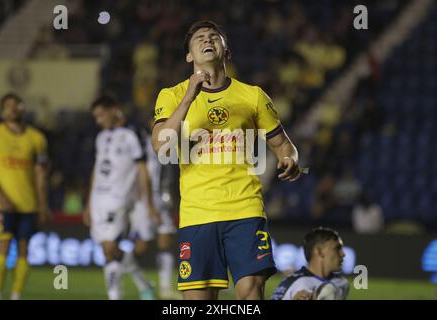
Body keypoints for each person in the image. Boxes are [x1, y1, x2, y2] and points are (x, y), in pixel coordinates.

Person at [151, 21, 302, 300]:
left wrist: (289, 160)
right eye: (199, 38)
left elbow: (283, 145)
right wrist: (188, 100)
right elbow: (160, 146)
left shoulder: (253, 96)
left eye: (213, 37)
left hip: (245, 209)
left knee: (251, 294)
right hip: (198, 213)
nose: (207, 40)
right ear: (189, 56)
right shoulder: (172, 96)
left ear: (226, 51)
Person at [83, 95, 160, 300]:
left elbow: (142, 170)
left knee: (109, 247)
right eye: (96, 117)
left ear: (114, 110)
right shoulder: (101, 137)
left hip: (118, 199)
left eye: (101, 115)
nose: (99, 121)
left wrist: (148, 203)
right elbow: (97, 170)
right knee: (109, 250)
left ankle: (115, 295)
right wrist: (88, 203)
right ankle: (143, 283)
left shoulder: (132, 134)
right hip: (98, 200)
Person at [0, 93, 50, 300]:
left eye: (16, 105)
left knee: (24, 252)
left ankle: (16, 296)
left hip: (28, 205)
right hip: (1, 205)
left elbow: (41, 175)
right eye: (7, 106)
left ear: (23, 108)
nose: (12, 109)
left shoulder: (37, 139)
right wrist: (2, 198)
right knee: (1, 251)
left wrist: (42, 205)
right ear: (2, 111)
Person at [130, 120, 178, 299]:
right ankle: (141, 283)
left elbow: (167, 174)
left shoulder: (169, 146)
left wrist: (169, 194)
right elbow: (140, 175)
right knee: (142, 246)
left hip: (161, 200)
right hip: (144, 201)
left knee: (166, 239)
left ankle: (165, 288)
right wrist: (149, 205)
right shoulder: (143, 145)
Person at [271, 227, 349, 300]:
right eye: (337, 248)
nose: (343, 254)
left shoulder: (341, 283)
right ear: (319, 251)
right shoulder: (295, 282)